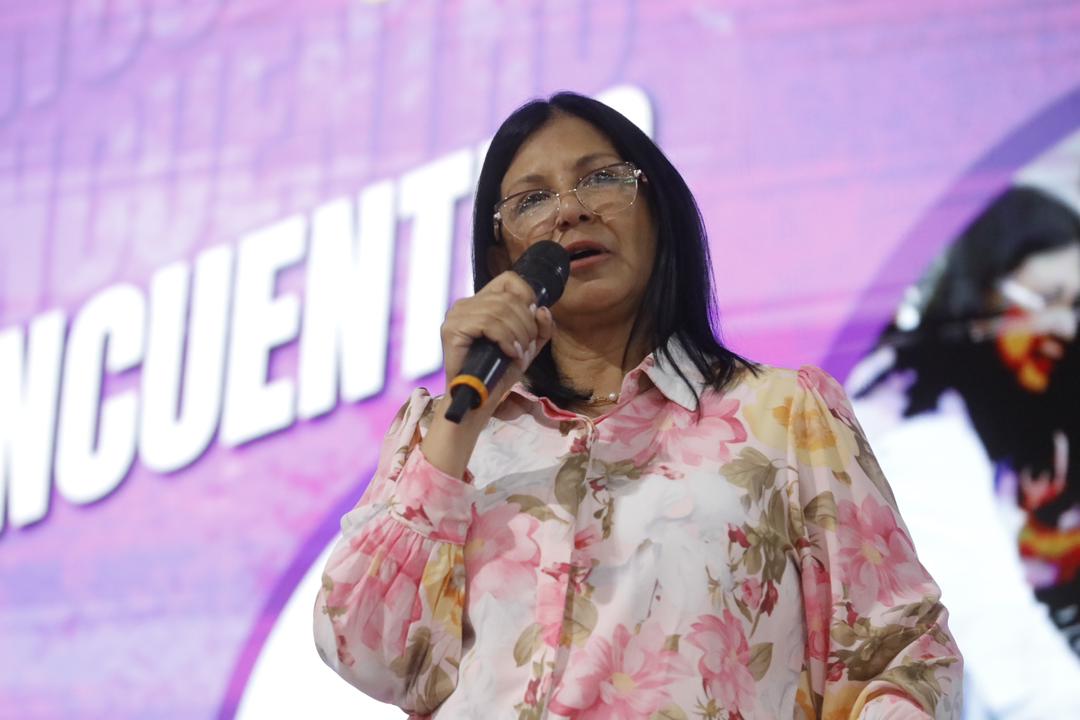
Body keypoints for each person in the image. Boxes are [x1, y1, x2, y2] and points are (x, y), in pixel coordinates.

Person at [313, 91, 962, 719]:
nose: (569, 213)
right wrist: (461, 427)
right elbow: (370, 654)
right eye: (532, 200)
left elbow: (895, 654)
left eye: (601, 179)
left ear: (659, 213)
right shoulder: (442, 439)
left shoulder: (784, 414)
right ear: (501, 257)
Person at [848, 186, 1080, 718]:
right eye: (1046, 300)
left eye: (1075, 307)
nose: (1064, 328)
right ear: (980, 294)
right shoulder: (917, 427)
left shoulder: (996, 411)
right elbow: (1008, 652)